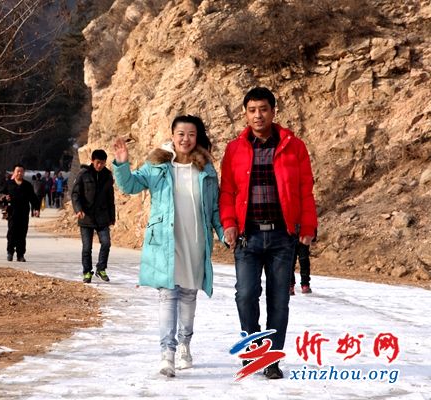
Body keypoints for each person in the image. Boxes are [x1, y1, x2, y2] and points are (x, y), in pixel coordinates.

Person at [112, 115, 225, 378]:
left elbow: (214, 209)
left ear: (197, 137)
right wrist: (122, 163)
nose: (186, 139)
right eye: (181, 134)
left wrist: (223, 232)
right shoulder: (157, 166)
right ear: (172, 136)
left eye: (191, 134)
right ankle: (167, 353)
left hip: (195, 241)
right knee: (167, 295)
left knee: (188, 295)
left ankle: (185, 344)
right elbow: (130, 186)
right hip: (165, 241)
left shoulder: (206, 170)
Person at [219, 87, 317, 379]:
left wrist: (308, 226)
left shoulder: (294, 146)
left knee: (279, 300)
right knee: (245, 295)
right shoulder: (234, 149)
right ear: (245, 113)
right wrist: (228, 222)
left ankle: (272, 358)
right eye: (252, 110)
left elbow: (305, 189)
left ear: (274, 111)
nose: (258, 115)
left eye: (263, 109)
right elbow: (227, 191)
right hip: (247, 236)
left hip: (282, 237)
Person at [71, 149, 115, 284]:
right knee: (87, 248)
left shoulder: (108, 176)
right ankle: (87, 272)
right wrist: (78, 209)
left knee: (106, 243)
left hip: (102, 216)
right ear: (92, 161)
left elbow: (110, 198)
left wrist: (112, 216)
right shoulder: (83, 174)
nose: (100, 165)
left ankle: (101, 268)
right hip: (86, 216)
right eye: (97, 163)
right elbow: (75, 194)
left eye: (102, 163)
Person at [2, 164, 40, 262]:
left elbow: (33, 198)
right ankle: (10, 252)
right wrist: (5, 198)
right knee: (11, 232)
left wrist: (36, 208)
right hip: (12, 212)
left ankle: (20, 254)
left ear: (24, 173)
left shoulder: (27, 185)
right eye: (17, 171)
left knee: (22, 234)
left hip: (24, 212)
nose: (19, 173)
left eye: (21, 171)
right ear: (14, 172)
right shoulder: (8, 184)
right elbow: (0, 195)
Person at [290, 228, 316, 295]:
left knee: (304, 262)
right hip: (290, 237)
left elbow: (311, 223)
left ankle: (305, 285)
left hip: (304, 237)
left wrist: (314, 238)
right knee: (290, 263)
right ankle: (290, 285)